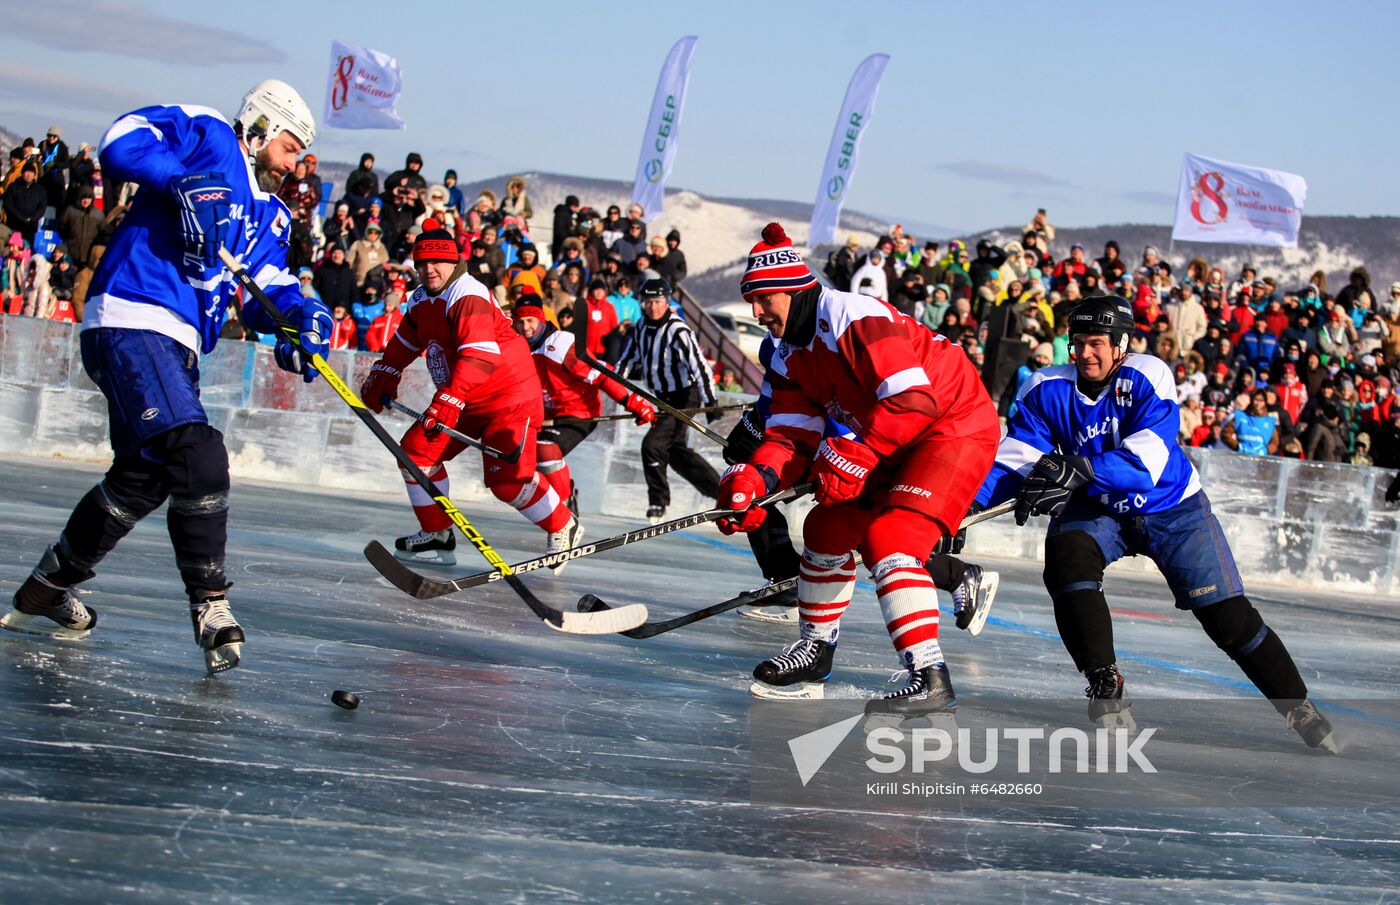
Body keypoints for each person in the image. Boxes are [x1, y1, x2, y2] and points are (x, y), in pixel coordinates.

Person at [2, 81, 327, 675]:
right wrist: (178, 181)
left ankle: (47, 588)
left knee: (142, 478)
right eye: (287, 147)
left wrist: (302, 318)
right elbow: (122, 138)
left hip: (177, 341)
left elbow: (265, 287)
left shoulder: (271, 213)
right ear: (258, 129)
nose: (293, 163)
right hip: (135, 311)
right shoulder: (208, 134)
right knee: (198, 453)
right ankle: (210, 603)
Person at [973, 295, 1334, 750]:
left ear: (1121, 344)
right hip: (1100, 507)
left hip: (1171, 508)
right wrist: (964, 508)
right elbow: (1015, 461)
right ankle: (1104, 681)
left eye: (1097, 343)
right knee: (1066, 562)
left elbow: (1150, 457)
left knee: (1226, 618)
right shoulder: (1044, 387)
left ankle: (1296, 704)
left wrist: (1079, 468)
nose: (1084, 353)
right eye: (1077, 342)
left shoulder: (1148, 373)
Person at [718, 223, 1001, 725]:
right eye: (750, 300)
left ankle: (929, 677)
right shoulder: (786, 356)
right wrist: (753, 482)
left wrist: (856, 452)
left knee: (893, 539)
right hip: (891, 436)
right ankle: (815, 652)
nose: (756, 312)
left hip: (951, 427)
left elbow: (914, 401)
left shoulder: (853, 314)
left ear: (792, 287)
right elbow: (789, 439)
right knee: (824, 530)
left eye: (763, 299)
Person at [358, 220, 577, 566]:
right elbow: (405, 341)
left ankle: (563, 524)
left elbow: (480, 356)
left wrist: (449, 397)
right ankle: (438, 532)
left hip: (508, 397)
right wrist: (386, 371)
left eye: (437, 262)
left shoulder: (467, 294)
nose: (429, 269)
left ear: (454, 261)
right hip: (463, 397)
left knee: (507, 482)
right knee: (415, 454)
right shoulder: (420, 299)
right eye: (422, 263)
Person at [511, 301, 656, 556]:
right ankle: (566, 500)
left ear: (542, 321)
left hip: (578, 413)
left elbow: (601, 374)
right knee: (521, 457)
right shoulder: (517, 350)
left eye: (531, 321)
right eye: (521, 322)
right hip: (547, 417)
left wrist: (633, 401)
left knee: (545, 449)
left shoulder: (560, 344)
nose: (526, 327)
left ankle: (565, 511)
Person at [618, 278, 720, 523]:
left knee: (652, 445)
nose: (653, 307)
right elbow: (627, 361)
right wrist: (615, 388)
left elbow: (699, 366)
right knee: (674, 452)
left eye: (658, 302)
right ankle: (720, 491)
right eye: (649, 302)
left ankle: (657, 502)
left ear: (667, 302)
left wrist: (710, 402)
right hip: (663, 398)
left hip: (685, 396)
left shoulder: (678, 330)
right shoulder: (641, 326)